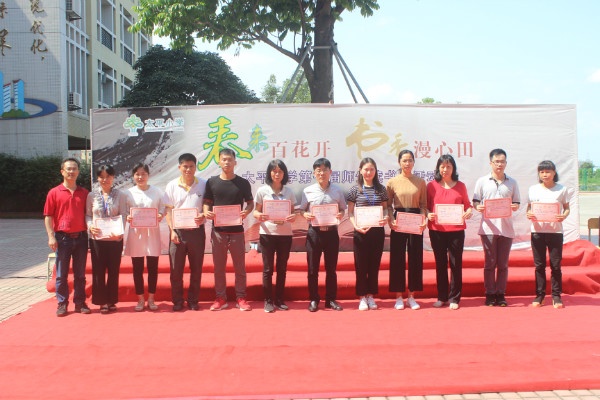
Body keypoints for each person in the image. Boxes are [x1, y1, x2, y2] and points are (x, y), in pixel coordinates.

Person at [203, 148, 254, 311]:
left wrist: (247, 211)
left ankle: (241, 297)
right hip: (218, 232)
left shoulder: (243, 183)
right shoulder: (211, 182)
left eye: (230, 159)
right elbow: (207, 203)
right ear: (219, 162)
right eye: (224, 159)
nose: (227, 162)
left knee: (240, 267)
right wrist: (206, 211)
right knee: (219, 268)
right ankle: (220, 298)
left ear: (235, 162)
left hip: (237, 231)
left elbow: (250, 203)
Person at [473, 148, 520, 307]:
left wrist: (514, 207)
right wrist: (478, 207)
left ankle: (500, 294)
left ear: (506, 163)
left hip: (506, 229)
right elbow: (475, 201)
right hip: (488, 229)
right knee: (489, 264)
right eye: (497, 161)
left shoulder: (512, 182)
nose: (500, 164)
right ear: (490, 163)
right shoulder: (482, 181)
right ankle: (489, 293)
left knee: (503, 264)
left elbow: (517, 203)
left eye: (502, 161)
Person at [44, 157, 90, 317]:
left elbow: (89, 215)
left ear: (78, 171)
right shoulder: (54, 192)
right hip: (62, 239)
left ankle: (80, 303)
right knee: (61, 274)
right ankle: (62, 303)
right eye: (68, 169)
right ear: (62, 171)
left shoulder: (84, 193)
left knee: (80, 274)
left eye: (74, 168)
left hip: (81, 238)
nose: (71, 171)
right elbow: (48, 216)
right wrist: (51, 236)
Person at [426, 154, 473, 310]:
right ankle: (442, 297)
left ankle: (455, 298)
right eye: (442, 166)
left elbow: (468, 206)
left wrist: (468, 212)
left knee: (455, 264)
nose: (445, 169)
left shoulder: (461, 186)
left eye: (448, 166)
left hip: (456, 231)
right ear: (438, 168)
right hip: (437, 230)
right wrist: (428, 214)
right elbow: (425, 207)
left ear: (453, 168)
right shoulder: (431, 186)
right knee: (440, 264)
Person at [300, 158, 347, 312]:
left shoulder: (337, 191)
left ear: (330, 172)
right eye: (318, 170)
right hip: (314, 233)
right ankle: (314, 299)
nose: (322, 173)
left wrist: (340, 214)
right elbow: (302, 210)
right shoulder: (308, 191)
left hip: (331, 233)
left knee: (331, 269)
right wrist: (305, 214)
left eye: (324, 170)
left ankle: (331, 299)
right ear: (314, 173)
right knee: (312, 269)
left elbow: (343, 209)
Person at [163, 153, 206, 311]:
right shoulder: (172, 185)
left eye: (191, 166)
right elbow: (168, 210)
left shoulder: (204, 184)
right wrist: (172, 230)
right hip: (178, 233)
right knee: (176, 270)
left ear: (196, 167)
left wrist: (203, 215)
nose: (188, 169)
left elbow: (208, 205)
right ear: (179, 167)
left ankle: (193, 300)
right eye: (185, 166)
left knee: (196, 268)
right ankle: (178, 301)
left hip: (196, 232)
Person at [253, 159, 297, 313]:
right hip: (267, 234)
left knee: (282, 268)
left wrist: (292, 217)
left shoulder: (289, 192)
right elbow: (255, 211)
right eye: (274, 171)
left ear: (284, 174)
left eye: (280, 171)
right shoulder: (262, 191)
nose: (277, 174)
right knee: (268, 269)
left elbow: (293, 213)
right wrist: (259, 215)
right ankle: (268, 300)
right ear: (269, 173)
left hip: (285, 234)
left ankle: (279, 299)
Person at [386, 149, 427, 310]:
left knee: (415, 258)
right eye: (404, 160)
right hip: (399, 220)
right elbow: (388, 205)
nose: (407, 163)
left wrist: (423, 219)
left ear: (414, 162)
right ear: (399, 162)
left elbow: (423, 205)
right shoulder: (392, 182)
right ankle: (398, 296)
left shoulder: (420, 182)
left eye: (410, 160)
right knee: (397, 258)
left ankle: (411, 296)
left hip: (415, 220)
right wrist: (391, 219)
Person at [526, 160, 570, 309]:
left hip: (555, 231)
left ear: (554, 173)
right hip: (537, 231)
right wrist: (529, 214)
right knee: (539, 266)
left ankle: (556, 296)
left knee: (555, 265)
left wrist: (563, 216)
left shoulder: (562, 189)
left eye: (548, 172)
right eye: (542, 172)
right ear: (539, 174)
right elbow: (529, 208)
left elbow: (567, 208)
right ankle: (540, 295)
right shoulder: (533, 189)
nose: (545, 174)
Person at [347, 157, 389, 311]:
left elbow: (385, 208)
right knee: (360, 265)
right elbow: (350, 212)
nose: (369, 172)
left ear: (375, 171)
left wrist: (385, 217)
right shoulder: (355, 190)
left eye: (372, 169)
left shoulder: (381, 189)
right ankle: (361, 297)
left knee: (374, 264)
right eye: (366, 169)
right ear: (360, 171)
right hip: (360, 232)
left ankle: (371, 295)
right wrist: (356, 226)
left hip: (377, 232)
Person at [86, 164, 129, 314]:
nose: (105, 180)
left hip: (114, 239)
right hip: (97, 239)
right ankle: (101, 301)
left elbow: (123, 215)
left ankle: (111, 300)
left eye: (108, 176)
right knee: (98, 271)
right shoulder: (91, 195)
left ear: (113, 177)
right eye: (101, 177)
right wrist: (90, 226)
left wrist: (119, 232)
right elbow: (88, 215)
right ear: (97, 178)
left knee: (113, 270)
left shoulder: (121, 195)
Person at [125, 163, 165, 312]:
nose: (140, 177)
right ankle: (140, 299)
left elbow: (163, 208)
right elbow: (124, 211)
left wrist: (160, 215)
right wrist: (128, 216)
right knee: (137, 268)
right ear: (133, 176)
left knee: (153, 267)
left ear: (148, 175)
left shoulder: (157, 191)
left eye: (143, 174)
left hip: (152, 233)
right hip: (136, 234)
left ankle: (151, 298)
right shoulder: (128, 193)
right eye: (137, 174)